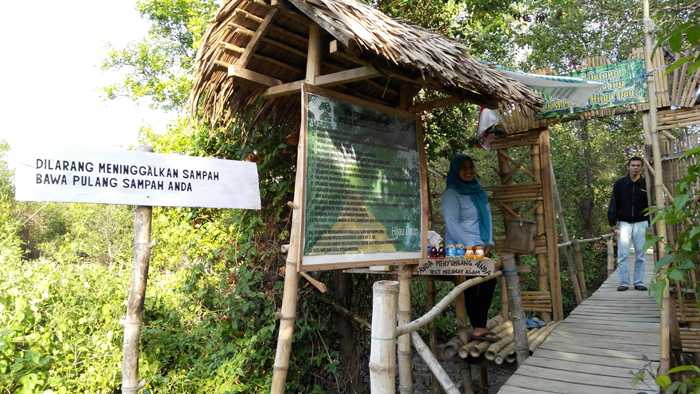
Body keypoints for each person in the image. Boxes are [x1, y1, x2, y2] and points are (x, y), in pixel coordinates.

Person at [442, 154, 497, 341]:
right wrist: (472, 246)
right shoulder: (451, 194)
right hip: (459, 247)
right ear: (456, 171)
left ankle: (480, 326)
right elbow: (452, 224)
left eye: (471, 168)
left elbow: (487, 219)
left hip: (481, 245)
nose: (468, 171)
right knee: (474, 279)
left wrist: (488, 242)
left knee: (490, 279)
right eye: (463, 168)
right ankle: (478, 327)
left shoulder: (478, 192)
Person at [608, 156, 649, 292]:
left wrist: (649, 222)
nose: (635, 168)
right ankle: (624, 282)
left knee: (641, 254)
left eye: (638, 165)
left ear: (641, 167)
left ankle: (639, 282)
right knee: (623, 254)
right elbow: (614, 203)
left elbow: (651, 204)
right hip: (624, 223)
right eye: (633, 165)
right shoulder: (620, 184)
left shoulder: (646, 184)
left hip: (641, 222)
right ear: (628, 167)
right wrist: (613, 223)